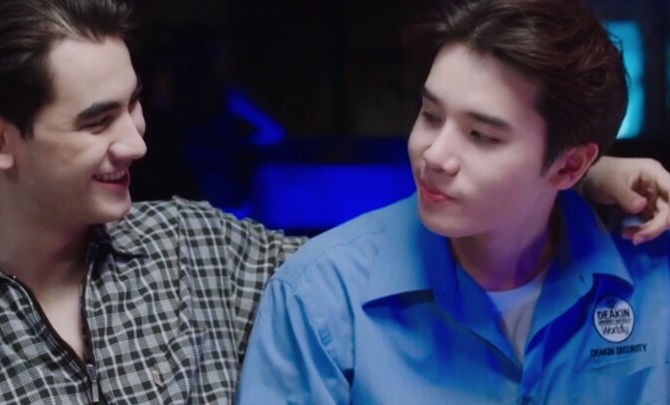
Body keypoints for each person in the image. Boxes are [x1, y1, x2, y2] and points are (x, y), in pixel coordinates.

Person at [0, 0, 666, 404]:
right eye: (98, 121)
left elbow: (371, 266)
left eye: (135, 105)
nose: (138, 141)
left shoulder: (188, 247)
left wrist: (577, 179)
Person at [237, 0, 670, 403]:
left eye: (481, 135)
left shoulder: (653, 270)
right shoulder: (322, 297)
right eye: (430, 115)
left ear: (570, 166)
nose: (434, 156)